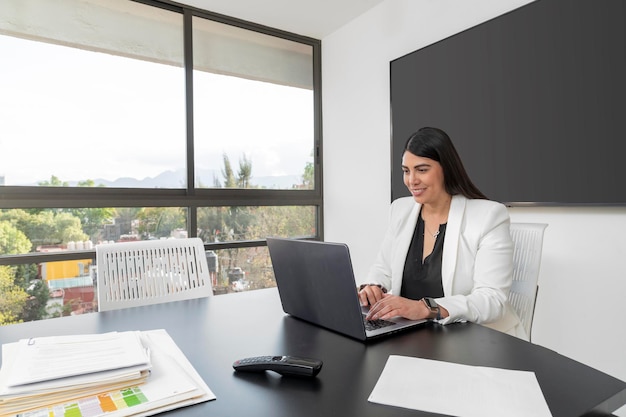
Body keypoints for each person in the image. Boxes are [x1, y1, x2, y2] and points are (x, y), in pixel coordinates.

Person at [358, 127, 525, 338]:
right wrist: (372, 286)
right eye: (406, 171)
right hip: (412, 335)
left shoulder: (489, 216)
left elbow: (492, 299)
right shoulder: (400, 209)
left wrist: (427, 308)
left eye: (422, 169)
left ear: (446, 168)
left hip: (472, 337)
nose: (411, 181)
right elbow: (383, 268)